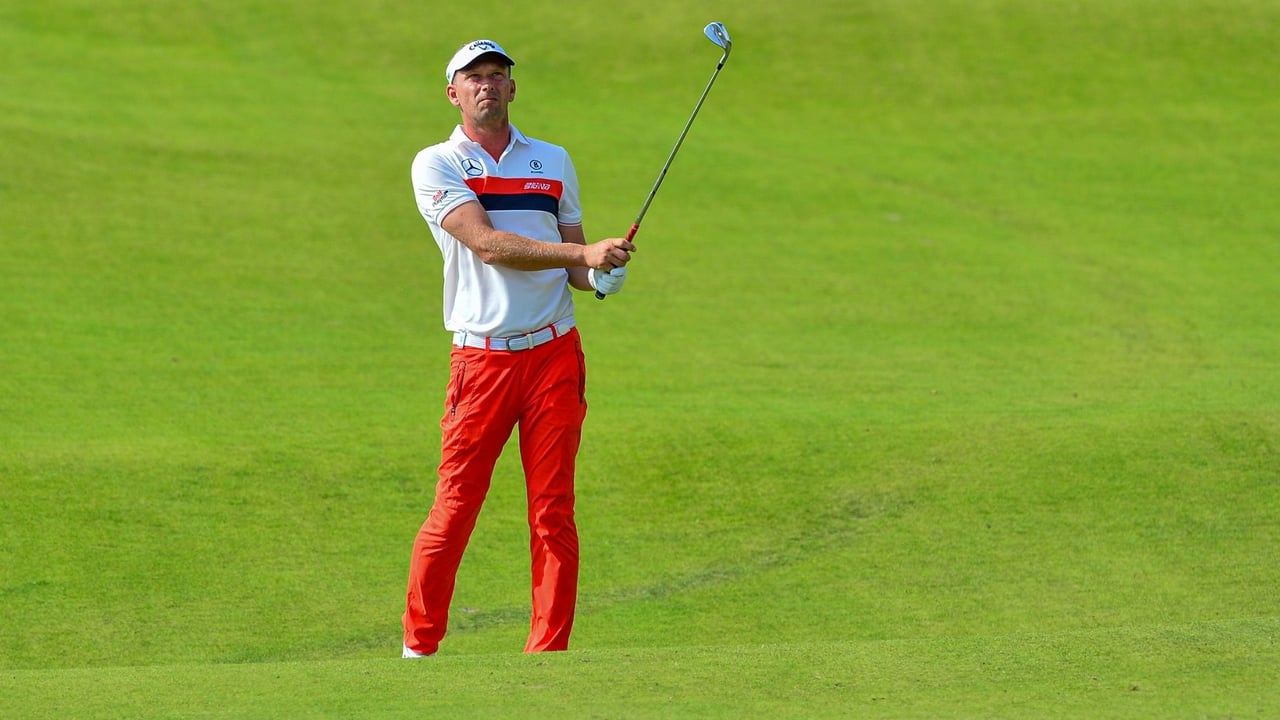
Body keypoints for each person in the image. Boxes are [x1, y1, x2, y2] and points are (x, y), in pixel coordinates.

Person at [402, 38, 635, 658]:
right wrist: (578, 256)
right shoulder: (437, 164)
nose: (487, 85)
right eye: (473, 77)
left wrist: (601, 272)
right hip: (482, 360)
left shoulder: (553, 160)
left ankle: (548, 657)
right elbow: (488, 245)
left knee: (553, 511)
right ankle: (418, 651)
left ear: (512, 87)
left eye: (497, 75)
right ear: (453, 92)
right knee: (454, 509)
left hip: (555, 355)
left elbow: (578, 269)